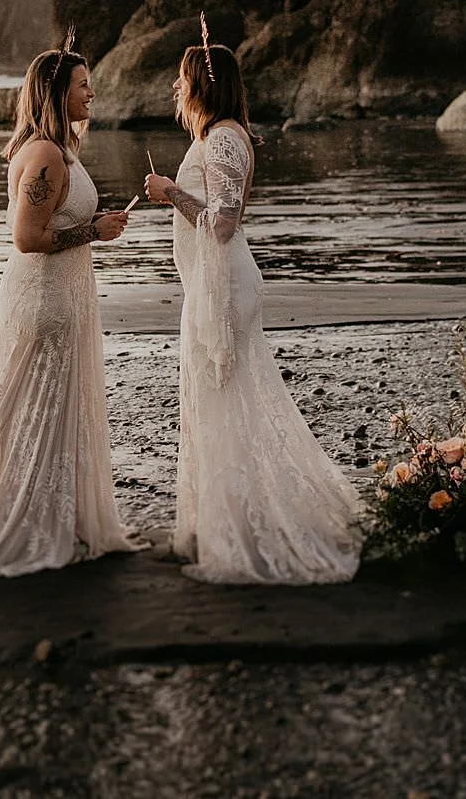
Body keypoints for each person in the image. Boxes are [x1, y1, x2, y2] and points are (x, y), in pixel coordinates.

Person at [143, 32, 360, 583]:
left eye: (183, 81)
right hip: (212, 283)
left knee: (227, 398)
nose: (177, 89)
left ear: (202, 87)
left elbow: (222, 221)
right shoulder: (221, 134)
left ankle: (240, 529)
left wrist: (171, 192)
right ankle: (215, 521)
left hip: (225, 287)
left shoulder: (222, 140)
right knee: (214, 399)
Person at [0, 43, 140, 575]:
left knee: (57, 410)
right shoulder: (46, 155)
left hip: (65, 292)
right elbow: (28, 239)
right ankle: (24, 521)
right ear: (59, 93)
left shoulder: (62, 150)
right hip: (45, 300)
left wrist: (91, 224)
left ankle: (58, 516)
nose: (92, 92)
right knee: (37, 408)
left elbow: (53, 222)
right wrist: (93, 231)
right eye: (83, 84)